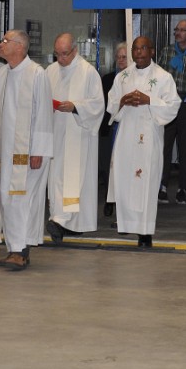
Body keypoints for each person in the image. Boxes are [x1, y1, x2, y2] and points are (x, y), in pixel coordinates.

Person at [0, 29, 53, 271]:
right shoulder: (1, 74)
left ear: (20, 46)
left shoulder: (37, 74)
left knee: (23, 200)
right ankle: (13, 248)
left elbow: (44, 114)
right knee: (6, 198)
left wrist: (38, 150)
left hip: (29, 152)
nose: (1, 44)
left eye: (5, 41)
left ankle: (21, 251)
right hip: (4, 151)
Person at [106, 36, 180, 246]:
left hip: (149, 136)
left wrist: (149, 100)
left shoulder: (163, 77)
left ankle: (145, 232)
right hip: (126, 135)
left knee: (146, 182)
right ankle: (126, 224)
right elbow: (111, 104)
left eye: (143, 48)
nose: (138, 52)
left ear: (152, 51)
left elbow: (173, 105)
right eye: (135, 49)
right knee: (124, 180)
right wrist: (122, 101)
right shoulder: (123, 77)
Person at [45, 33, 104, 241]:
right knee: (56, 177)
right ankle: (63, 222)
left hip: (79, 134)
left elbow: (98, 104)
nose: (61, 59)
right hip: (55, 133)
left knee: (74, 178)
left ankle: (63, 221)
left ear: (75, 50)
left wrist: (76, 107)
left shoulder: (88, 72)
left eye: (65, 54)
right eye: (57, 54)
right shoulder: (50, 71)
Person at [156, 19, 186, 205]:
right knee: (164, 146)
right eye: (176, 30)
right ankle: (161, 186)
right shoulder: (166, 51)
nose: (177, 33)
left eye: (182, 30)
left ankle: (183, 189)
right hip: (168, 102)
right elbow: (157, 75)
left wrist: (183, 62)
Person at [100, 41, 130, 216]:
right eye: (118, 57)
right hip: (109, 128)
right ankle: (109, 199)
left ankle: (123, 203)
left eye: (124, 57)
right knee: (108, 166)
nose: (120, 60)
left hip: (128, 129)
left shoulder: (135, 79)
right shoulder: (107, 79)